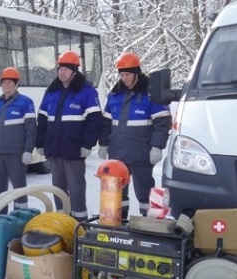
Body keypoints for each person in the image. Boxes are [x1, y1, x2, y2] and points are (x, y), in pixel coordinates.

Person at [98, 52, 171, 218]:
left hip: (141, 153)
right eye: (122, 74)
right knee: (117, 192)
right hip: (117, 154)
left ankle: (148, 224)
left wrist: (157, 147)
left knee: (144, 190)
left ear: (137, 73)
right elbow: (106, 123)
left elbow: (162, 123)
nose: (124, 78)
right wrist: (103, 144)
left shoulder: (151, 95)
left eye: (127, 74)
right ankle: (119, 222)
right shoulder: (115, 95)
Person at [36, 51, 102, 222]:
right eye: (60, 69)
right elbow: (42, 120)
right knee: (58, 188)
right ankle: (61, 221)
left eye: (66, 69)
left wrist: (88, 145)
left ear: (74, 71)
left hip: (74, 151)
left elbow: (95, 121)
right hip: (55, 150)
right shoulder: (51, 92)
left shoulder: (86, 92)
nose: (62, 72)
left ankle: (79, 223)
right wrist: (40, 142)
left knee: (76, 188)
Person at [0, 67, 37, 214]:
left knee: (19, 190)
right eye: (4, 82)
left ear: (16, 84)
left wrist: (28, 150)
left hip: (16, 155)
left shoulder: (25, 102)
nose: (6, 85)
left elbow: (31, 129)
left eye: (10, 82)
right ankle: (1, 220)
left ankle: (20, 217)